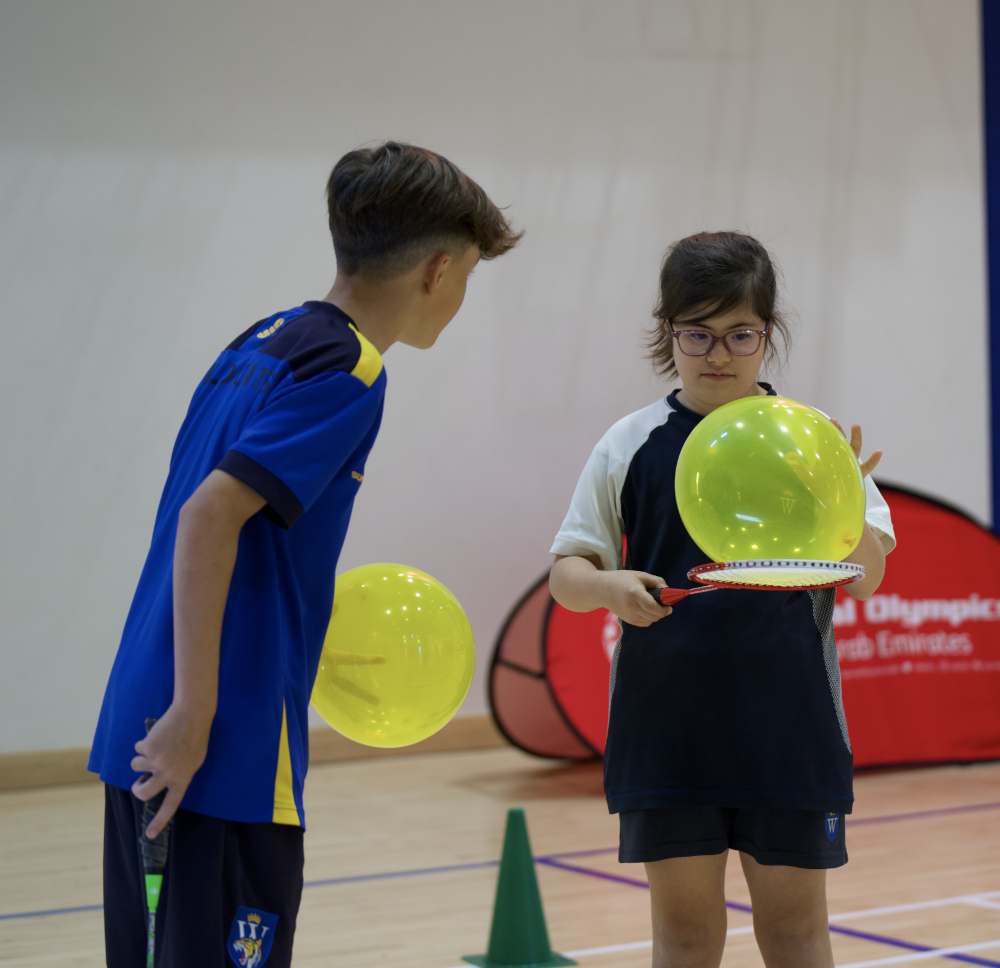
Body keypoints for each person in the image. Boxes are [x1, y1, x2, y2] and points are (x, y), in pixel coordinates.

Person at [88, 142, 522, 967]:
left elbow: (205, 514)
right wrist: (196, 713)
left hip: (141, 716)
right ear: (437, 270)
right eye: (467, 274)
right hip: (217, 744)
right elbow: (210, 515)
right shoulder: (351, 371)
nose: (461, 296)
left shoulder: (259, 341)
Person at [548, 232, 894, 968]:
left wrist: (849, 508)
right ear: (666, 331)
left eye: (741, 333)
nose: (718, 353)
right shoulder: (629, 443)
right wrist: (611, 587)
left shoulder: (813, 443)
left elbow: (867, 576)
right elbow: (567, 573)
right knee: (686, 937)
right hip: (667, 728)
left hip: (789, 726)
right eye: (696, 333)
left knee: (796, 934)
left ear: (768, 334)